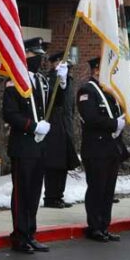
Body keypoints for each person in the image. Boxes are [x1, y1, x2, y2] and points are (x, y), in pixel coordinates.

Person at [2, 36, 51, 254]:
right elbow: (10, 114)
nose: (39, 60)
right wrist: (32, 127)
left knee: (34, 192)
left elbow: (52, 104)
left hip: (40, 147)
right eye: (35, 56)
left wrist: (64, 82)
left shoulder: (41, 80)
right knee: (22, 192)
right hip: (23, 144)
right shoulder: (15, 81)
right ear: (25, 56)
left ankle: (31, 233)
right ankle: (20, 235)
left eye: (41, 56)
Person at [77, 56, 127, 241]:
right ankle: (95, 226)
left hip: (111, 148)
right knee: (97, 188)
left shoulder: (109, 91)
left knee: (108, 190)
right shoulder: (87, 90)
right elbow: (91, 118)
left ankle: (104, 225)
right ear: (96, 70)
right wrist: (114, 124)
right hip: (96, 148)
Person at [40, 50, 78, 208]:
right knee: (53, 164)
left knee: (63, 165)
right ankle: (50, 197)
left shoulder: (68, 80)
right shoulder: (49, 79)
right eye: (61, 62)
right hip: (54, 126)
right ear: (54, 63)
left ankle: (58, 195)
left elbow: (71, 106)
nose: (65, 65)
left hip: (65, 126)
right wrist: (59, 81)